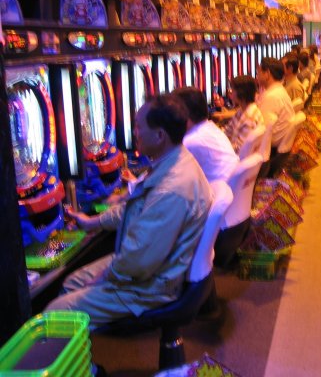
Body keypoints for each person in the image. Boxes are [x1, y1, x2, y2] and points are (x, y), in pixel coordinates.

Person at [46, 94, 213, 327]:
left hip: (149, 286)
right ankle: (83, 348)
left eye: (138, 126)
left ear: (160, 135)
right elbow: (136, 208)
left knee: (54, 314)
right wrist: (94, 222)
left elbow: (140, 258)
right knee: (71, 282)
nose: (134, 132)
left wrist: (105, 277)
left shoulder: (171, 189)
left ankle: (79, 346)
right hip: (151, 268)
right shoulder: (172, 162)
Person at [173, 87, 238, 182]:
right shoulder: (210, 128)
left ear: (182, 114)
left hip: (221, 189)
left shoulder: (191, 141)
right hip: (230, 186)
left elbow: (170, 179)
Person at [256, 57, 295, 176]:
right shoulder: (278, 91)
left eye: (258, 72)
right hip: (277, 150)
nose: (257, 76)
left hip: (270, 153)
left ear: (267, 74)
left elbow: (261, 131)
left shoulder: (271, 97)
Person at [221, 75, 265, 153]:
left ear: (241, 93)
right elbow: (228, 131)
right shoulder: (242, 110)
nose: (230, 92)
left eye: (233, 90)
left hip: (236, 157)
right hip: (232, 151)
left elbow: (239, 148)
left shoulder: (250, 118)